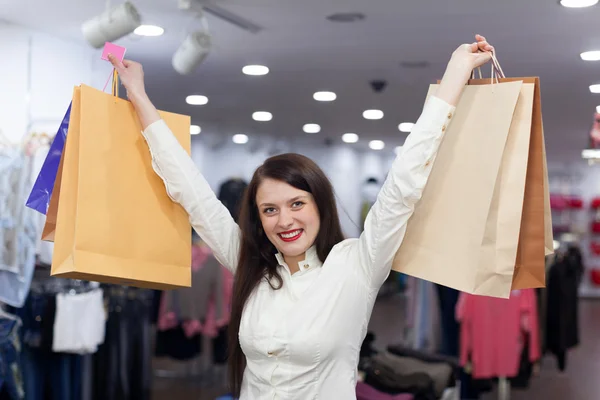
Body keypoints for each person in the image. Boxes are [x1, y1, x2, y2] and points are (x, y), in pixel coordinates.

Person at [109, 34, 496, 399]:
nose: (285, 221)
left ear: (320, 206)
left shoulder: (357, 264)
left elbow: (403, 184)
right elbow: (192, 194)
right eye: (270, 210)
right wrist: (139, 95)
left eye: (297, 204)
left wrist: (455, 74)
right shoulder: (250, 265)